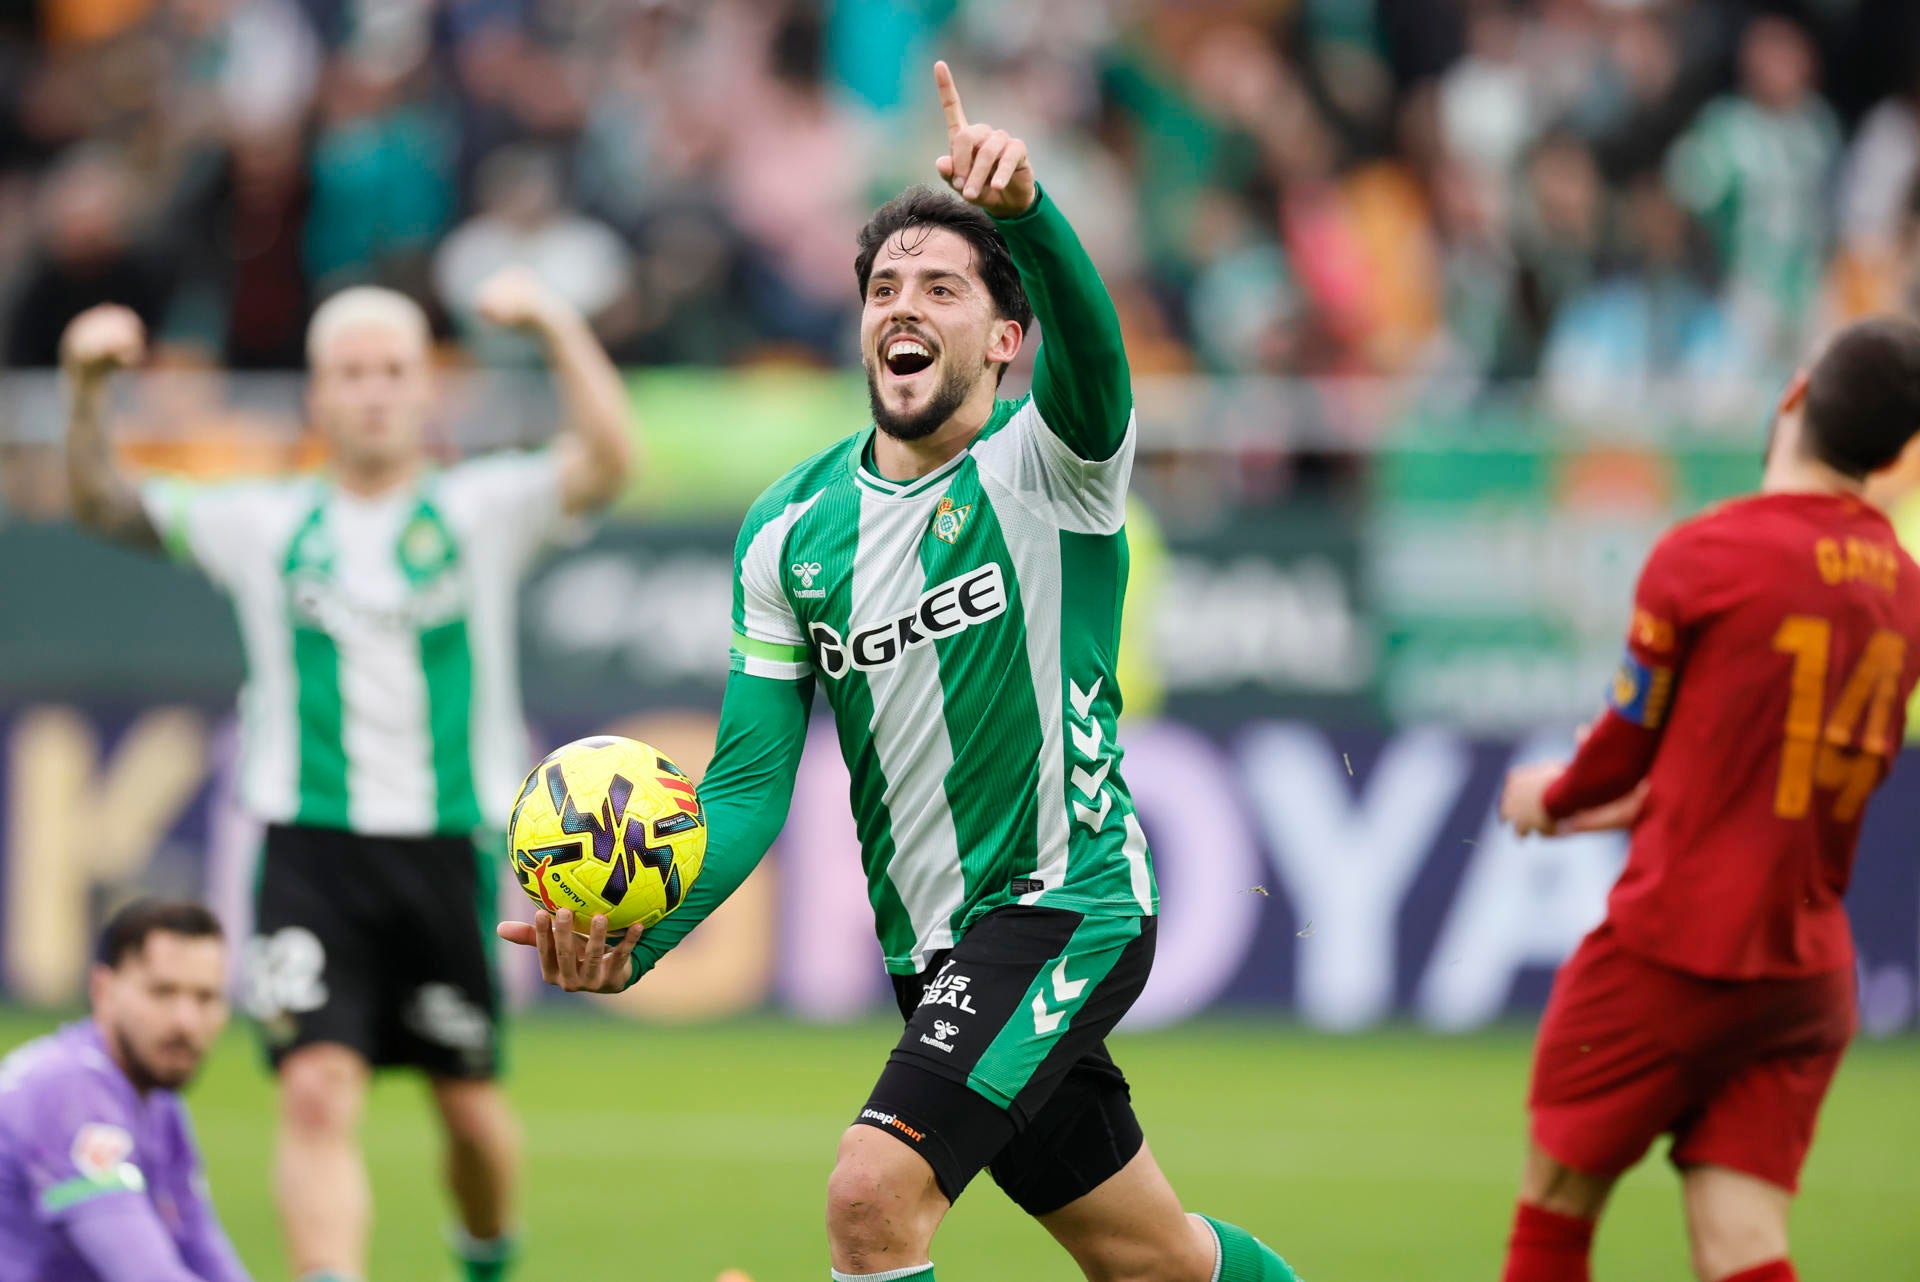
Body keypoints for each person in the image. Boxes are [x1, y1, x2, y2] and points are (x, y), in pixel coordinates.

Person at [500, 62, 1299, 1282]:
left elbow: (1100, 360)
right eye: (883, 287)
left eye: (940, 286)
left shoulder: (1055, 470)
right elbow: (751, 785)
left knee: (872, 1196)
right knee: (1158, 1262)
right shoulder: (788, 531)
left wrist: (1029, 213)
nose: (902, 306)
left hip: (1063, 902)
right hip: (929, 948)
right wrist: (640, 939)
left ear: (1004, 337)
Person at [59, 267, 635, 1282]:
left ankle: (486, 1255)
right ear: (318, 397)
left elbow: (609, 460)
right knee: (316, 1089)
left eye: (393, 370)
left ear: (427, 390)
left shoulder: (482, 508)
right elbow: (104, 504)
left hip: (446, 845)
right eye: (351, 373)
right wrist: (84, 384)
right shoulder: (261, 522)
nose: (373, 390)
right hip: (306, 846)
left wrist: (554, 321)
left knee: (468, 1108)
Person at [1496, 316, 1920, 1282]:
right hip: (1805, 978)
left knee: (1555, 1215)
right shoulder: (1906, 591)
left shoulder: (1705, 554)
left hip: (1674, 950)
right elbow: (1766, 769)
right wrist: (1650, 800)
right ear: (1895, 455)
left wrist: (1552, 798)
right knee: (1741, 1243)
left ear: (1793, 395)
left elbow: (1619, 749)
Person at [0, 900, 247, 1282]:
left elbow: (205, 1253)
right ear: (103, 990)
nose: (186, 1021)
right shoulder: (68, 1094)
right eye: (163, 992)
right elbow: (147, 1274)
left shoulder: (158, 1103)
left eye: (205, 998)